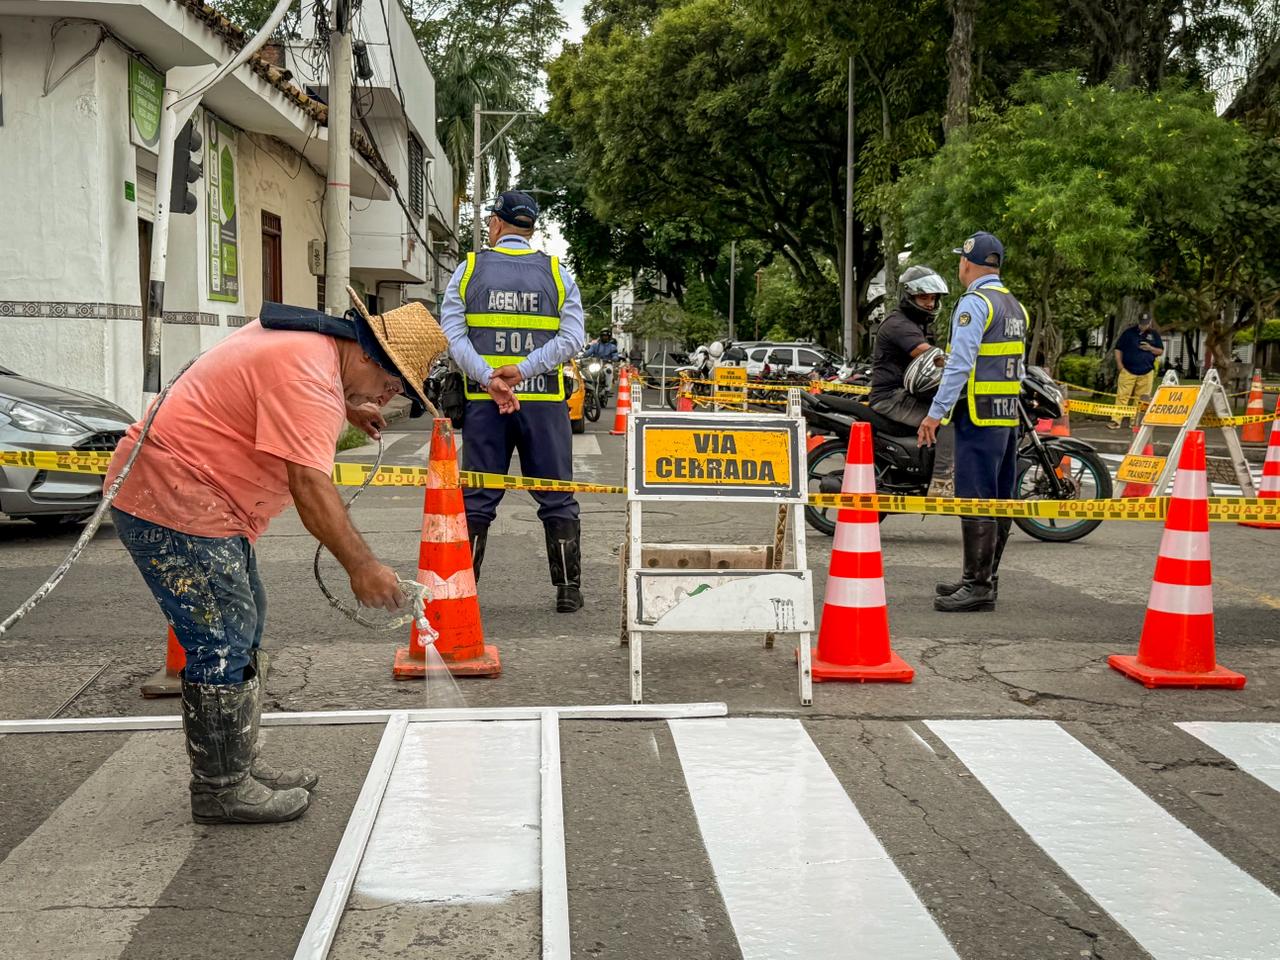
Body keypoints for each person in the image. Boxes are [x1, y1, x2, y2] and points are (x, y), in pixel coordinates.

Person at [106, 292, 440, 824]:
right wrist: (362, 567)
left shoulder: (308, 353)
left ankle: (237, 769)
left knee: (242, 621)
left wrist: (347, 405)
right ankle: (220, 789)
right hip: (176, 500)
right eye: (391, 384)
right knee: (221, 638)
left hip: (195, 500)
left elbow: (265, 394)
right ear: (368, 354)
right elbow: (310, 485)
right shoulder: (305, 375)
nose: (389, 394)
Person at [440, 190, 586, 612]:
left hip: (485, 403)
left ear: (498, 224)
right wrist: (522, 371)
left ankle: (462, 592)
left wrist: (491, 378)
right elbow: (572, 339)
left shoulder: (468, 270)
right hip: (544, 404)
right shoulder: (558, 273)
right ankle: (568, 592)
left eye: (490, 221)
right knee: (556, 492)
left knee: (478, 498)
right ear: (531, 228)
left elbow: (454, 338)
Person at [918, 231, 1026, 613]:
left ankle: (976, 584)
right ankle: (985, 580)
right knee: (999, 499)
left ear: (968, 263)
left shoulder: (975, 304)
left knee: (976, 498)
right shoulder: (1014, 306)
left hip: (978, 416)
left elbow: (961, 364)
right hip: (1005, 417)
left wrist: (935, 413)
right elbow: (1018, 367)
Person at [869, 265, 949, 427]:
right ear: (908, 297)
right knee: (946, 422)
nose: (930, 304)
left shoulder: (912, 323)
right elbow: (934, 359)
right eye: (924, 298)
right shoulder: (899, 325)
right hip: (890, 398)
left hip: (905, 394)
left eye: (933, 298)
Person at [1110, 312, 1163, 429]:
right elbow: (1118, 349)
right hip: (1128, 370)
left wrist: (1150, 348)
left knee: (1142, 398)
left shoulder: (1154, 335)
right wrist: (1120, 365)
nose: (1144, 326)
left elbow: (1160, 351)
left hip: (1146, 371)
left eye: (1146, 324)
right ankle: (1116, 421)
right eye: (1142, 323)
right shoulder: (1128, 333)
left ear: (1150, 322)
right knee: (1122, 396)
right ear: (1138, 322)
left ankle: (1135, 422)